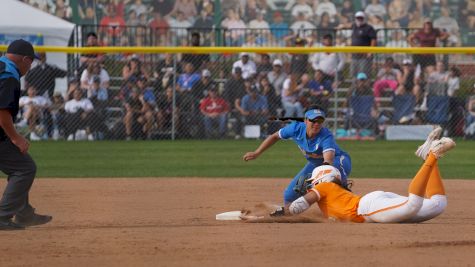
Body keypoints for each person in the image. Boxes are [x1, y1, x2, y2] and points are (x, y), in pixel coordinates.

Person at [254, 128, 455, 224]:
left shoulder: (323, 188)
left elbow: (297, 207)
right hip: (373, 202)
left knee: (413, 204)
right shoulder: (333, 188)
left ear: (318, 179)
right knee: (438, 204)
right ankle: (429, 155)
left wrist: (271, 215)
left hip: (367, 208)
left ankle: (433, 155)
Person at [242, 105, 352, 206]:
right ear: (305, 121)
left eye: (320, 120)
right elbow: (275, 136)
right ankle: (291, 214)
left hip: (338, 161)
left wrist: (321, 179)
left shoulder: (326, 136)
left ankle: (347, 201)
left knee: (330, 178)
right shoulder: (295, 129)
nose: (317, 124)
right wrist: (257, 152)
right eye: (313, 120)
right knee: (289, 196)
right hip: (315, 165)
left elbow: (328, 161)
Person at [0, 39, 52, 230]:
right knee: (24, 168)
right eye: (31, 62)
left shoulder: (1, 65)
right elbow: (2, 113)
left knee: (20, 164)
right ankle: (3, 216)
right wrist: (16, 137)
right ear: (25, 59)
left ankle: (24, 214)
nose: (30, 67)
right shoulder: (9, 75)